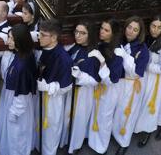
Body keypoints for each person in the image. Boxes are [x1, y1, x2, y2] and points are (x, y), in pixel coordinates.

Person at [0, 24, 37, 155]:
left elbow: (23, 94)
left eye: (11, 38)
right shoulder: (22, 54)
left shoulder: (22, 66)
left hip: (18, 103)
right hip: (12, 96)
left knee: (17, 134)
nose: (8, 41)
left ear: (20, 40)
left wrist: (14, 112)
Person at [62, 21, 102, 153]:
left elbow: (96, 80)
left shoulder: (94, 54)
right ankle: (67, 142)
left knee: (79, 119)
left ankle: (75, 146)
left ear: (90, 34)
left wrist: (79, 75)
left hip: (84, 93)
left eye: (82, 33)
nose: (78, 35)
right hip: (72, 89)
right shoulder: (76, 47)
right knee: (68, 117)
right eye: (76, 32)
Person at [111, 16, 149, 155]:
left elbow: (136, 73)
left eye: (135, 30)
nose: (131, 32)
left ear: (139, 33)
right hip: (120, 82)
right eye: (129, 27)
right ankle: (115, 133)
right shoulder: (120, 41)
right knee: (117, 110)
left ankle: (124, 142)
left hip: (132, 85)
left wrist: (126, 56)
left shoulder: (143, 49)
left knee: (128, 113)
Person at [134, 16, 161, 147]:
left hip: (153, 80)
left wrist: (148, 66)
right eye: (153, 26)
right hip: (139, 77)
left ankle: (147, 131)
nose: (155, 30)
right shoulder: (144, 38)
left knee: (149, 106)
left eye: (159, 27)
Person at [35, 19, 73, 155]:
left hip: (53, 99)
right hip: (40, 94)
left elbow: (67, 86)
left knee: (51, 129)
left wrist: (47, 87)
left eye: (43, 35)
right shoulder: (45, 48)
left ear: (54, 37)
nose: (39, 38)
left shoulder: (63, 58)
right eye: (39, 34)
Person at [87, 18, 123, 154]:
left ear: (113, 34)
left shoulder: (118, 52)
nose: (102, 31)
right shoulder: (100, 44)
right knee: (95, 113)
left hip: (109, 90)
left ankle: (102, 147)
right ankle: (92, 141)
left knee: (105, 117)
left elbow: (113, 79)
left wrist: (102, 61)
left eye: (106, 30)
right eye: (102, 28)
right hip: (97, 86)